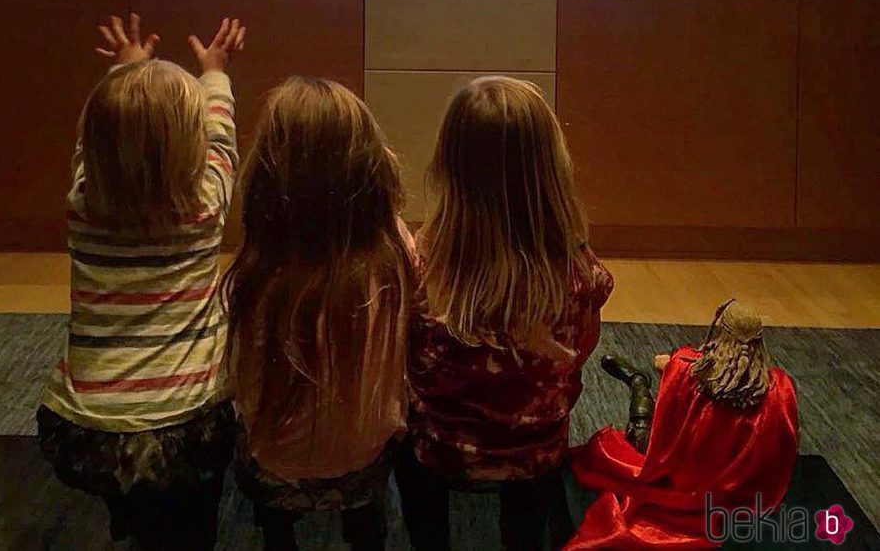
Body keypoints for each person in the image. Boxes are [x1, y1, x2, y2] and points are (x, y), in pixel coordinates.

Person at [37, 12, 246, 550]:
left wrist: (124, 73)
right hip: (188, 433)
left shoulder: (83, 204)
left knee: (134, 490)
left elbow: (97, 135)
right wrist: (215, 72)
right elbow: (221, 138)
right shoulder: (206, 206)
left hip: (86, 436)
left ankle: (129, 507)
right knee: (192, 509)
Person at [398, 76, 614, 551]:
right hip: (535, 451)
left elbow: (402, 359)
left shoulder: (419, 267)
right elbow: (579, 355)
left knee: (406, 455)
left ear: (449, 166)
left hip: (437, 451)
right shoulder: (581, 275)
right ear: (550, 168)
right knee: (532, 502)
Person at [223, 77, 416, 550]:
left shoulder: (255, 269)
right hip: (365, 461)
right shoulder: (394, 252)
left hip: (271, 465)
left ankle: (278, 537)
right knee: (372, 508)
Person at [567, 300, 799, 550]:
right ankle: (638, 384)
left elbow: (661, 369)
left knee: (612, 444)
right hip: (735, 496)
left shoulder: (687, 368)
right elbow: (784, 446)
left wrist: (674, 365)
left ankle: (638, 383)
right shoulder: (780, 388)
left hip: (679, 478)